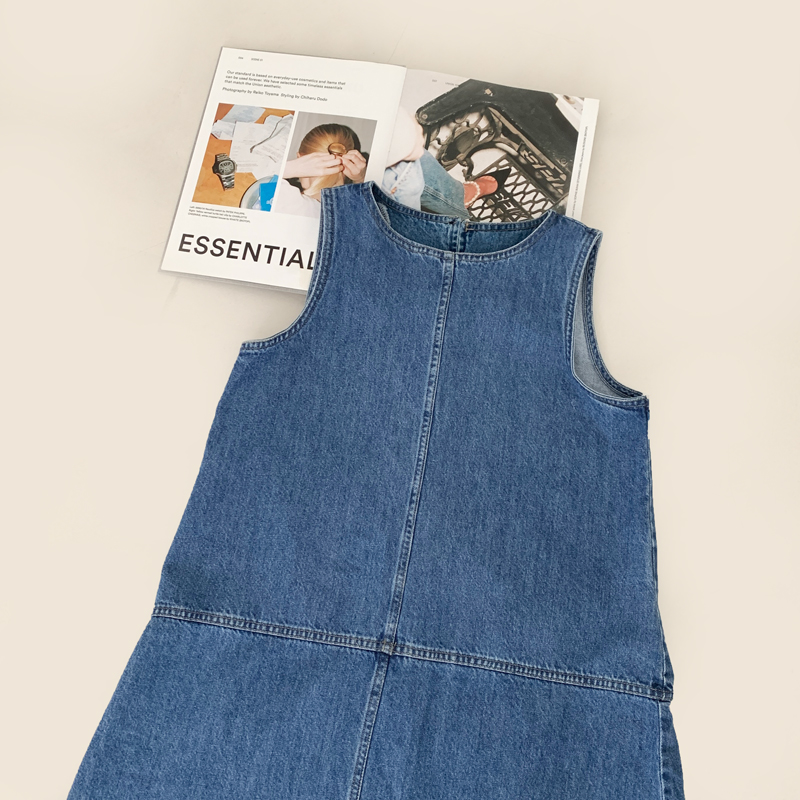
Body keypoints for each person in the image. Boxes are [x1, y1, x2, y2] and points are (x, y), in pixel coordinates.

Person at [273, 123, 367, 218]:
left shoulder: (284, 200)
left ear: (300, 158)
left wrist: (290, 168)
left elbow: (266, 175)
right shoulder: (356, 212)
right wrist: (361, 179)